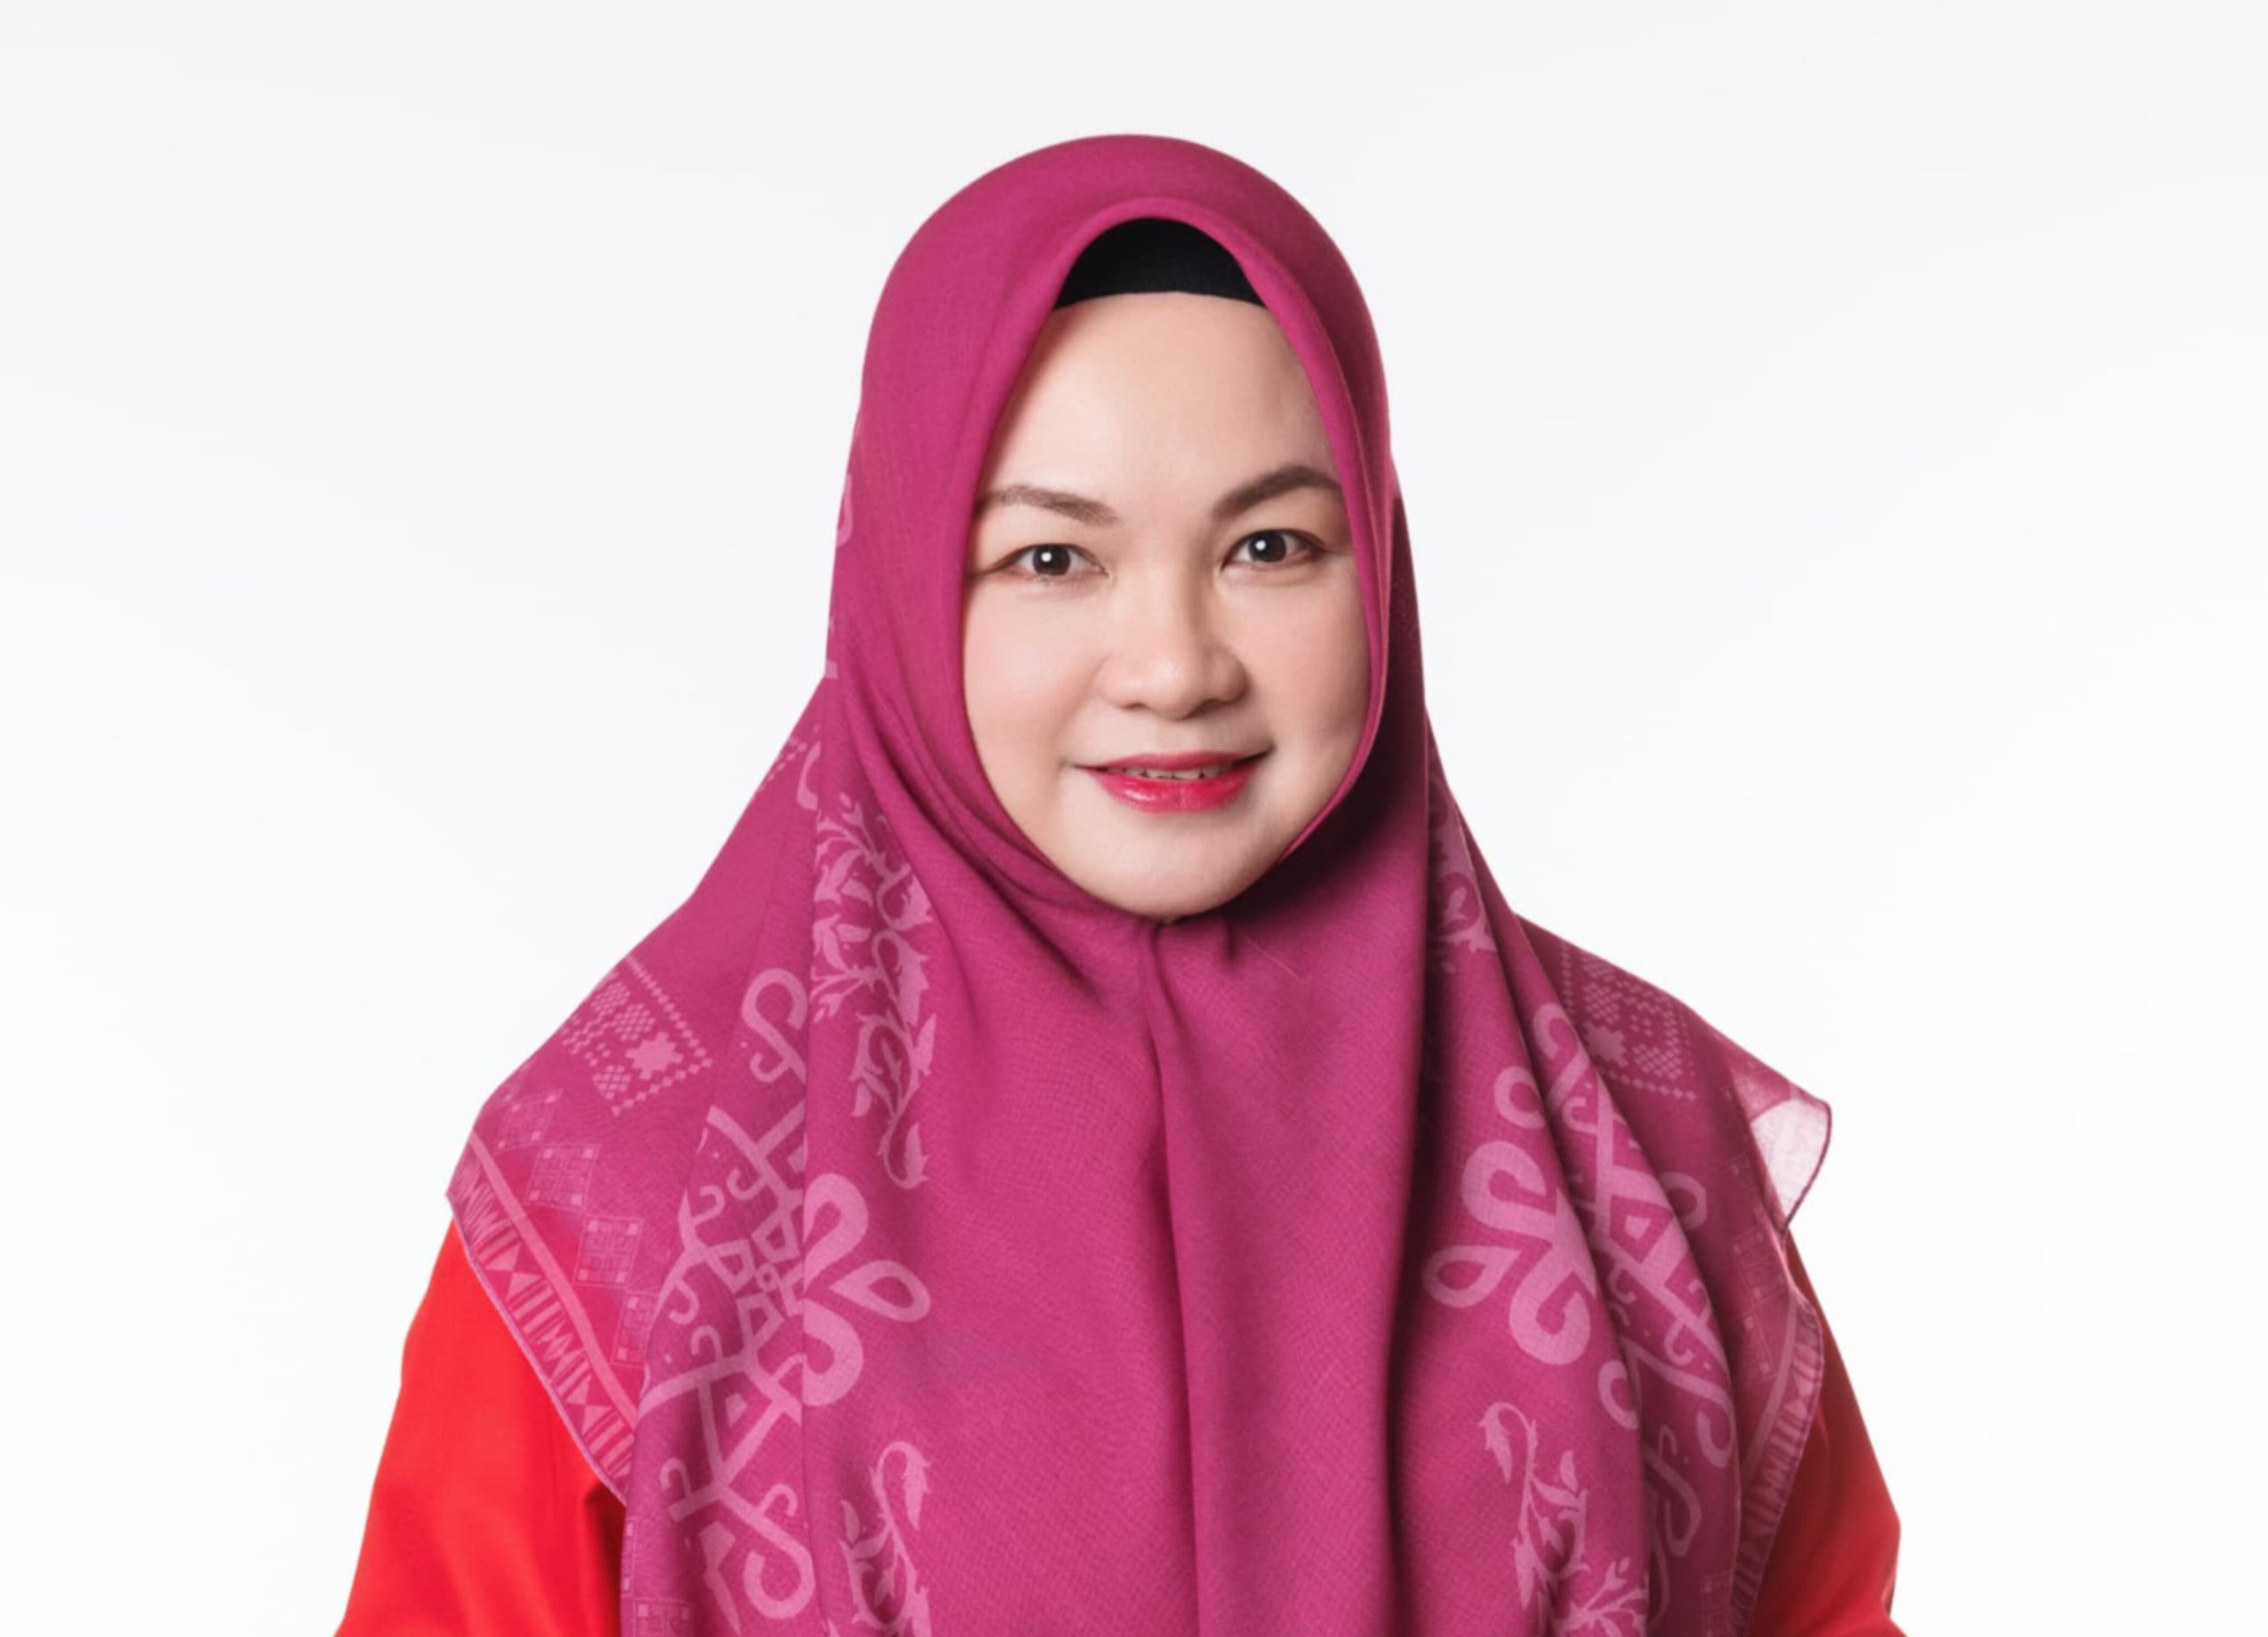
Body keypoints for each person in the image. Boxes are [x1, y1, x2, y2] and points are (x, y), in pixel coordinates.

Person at [336, 136, 1904, 1636]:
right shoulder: (633, 1185)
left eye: (1271, 547)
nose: (1173, 667)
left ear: (1381, 562)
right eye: (1051, 560)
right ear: (901, 582)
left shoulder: (1630, 1149)